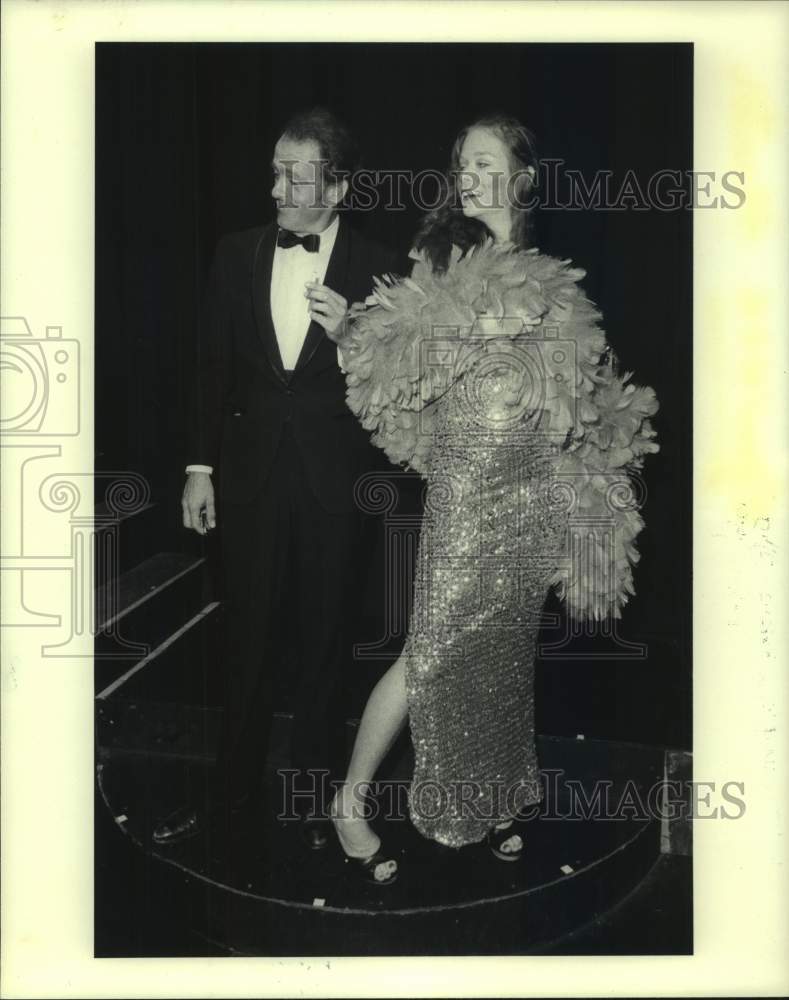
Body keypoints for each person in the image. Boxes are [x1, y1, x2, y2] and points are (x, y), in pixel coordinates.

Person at [325, 114, 660, 885]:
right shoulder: (437, 256)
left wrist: (598, 483)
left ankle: (499, 798)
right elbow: (395, 360)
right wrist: (353, 329)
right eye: (461, 163)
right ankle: (349, 800)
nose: (467, 173)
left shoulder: (551, 276)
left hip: (534, 491)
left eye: (483, 161)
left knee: (504, 654)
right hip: (467, 485)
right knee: (431, 649)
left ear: (521, 174)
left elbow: (585, 396)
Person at [152, 108, 400, 853]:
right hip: (250, 480)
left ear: (338, 186)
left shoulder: (384, 268)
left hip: (337, 486)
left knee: (326, 642)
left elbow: (403, 388)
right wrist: (199, 469)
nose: (277, 187)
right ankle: (228, 800)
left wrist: (354, 334)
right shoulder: (235, 253)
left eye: (295, 174)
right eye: (273, 171)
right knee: (246, 641)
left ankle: (316, 805)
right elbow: (209, 369)